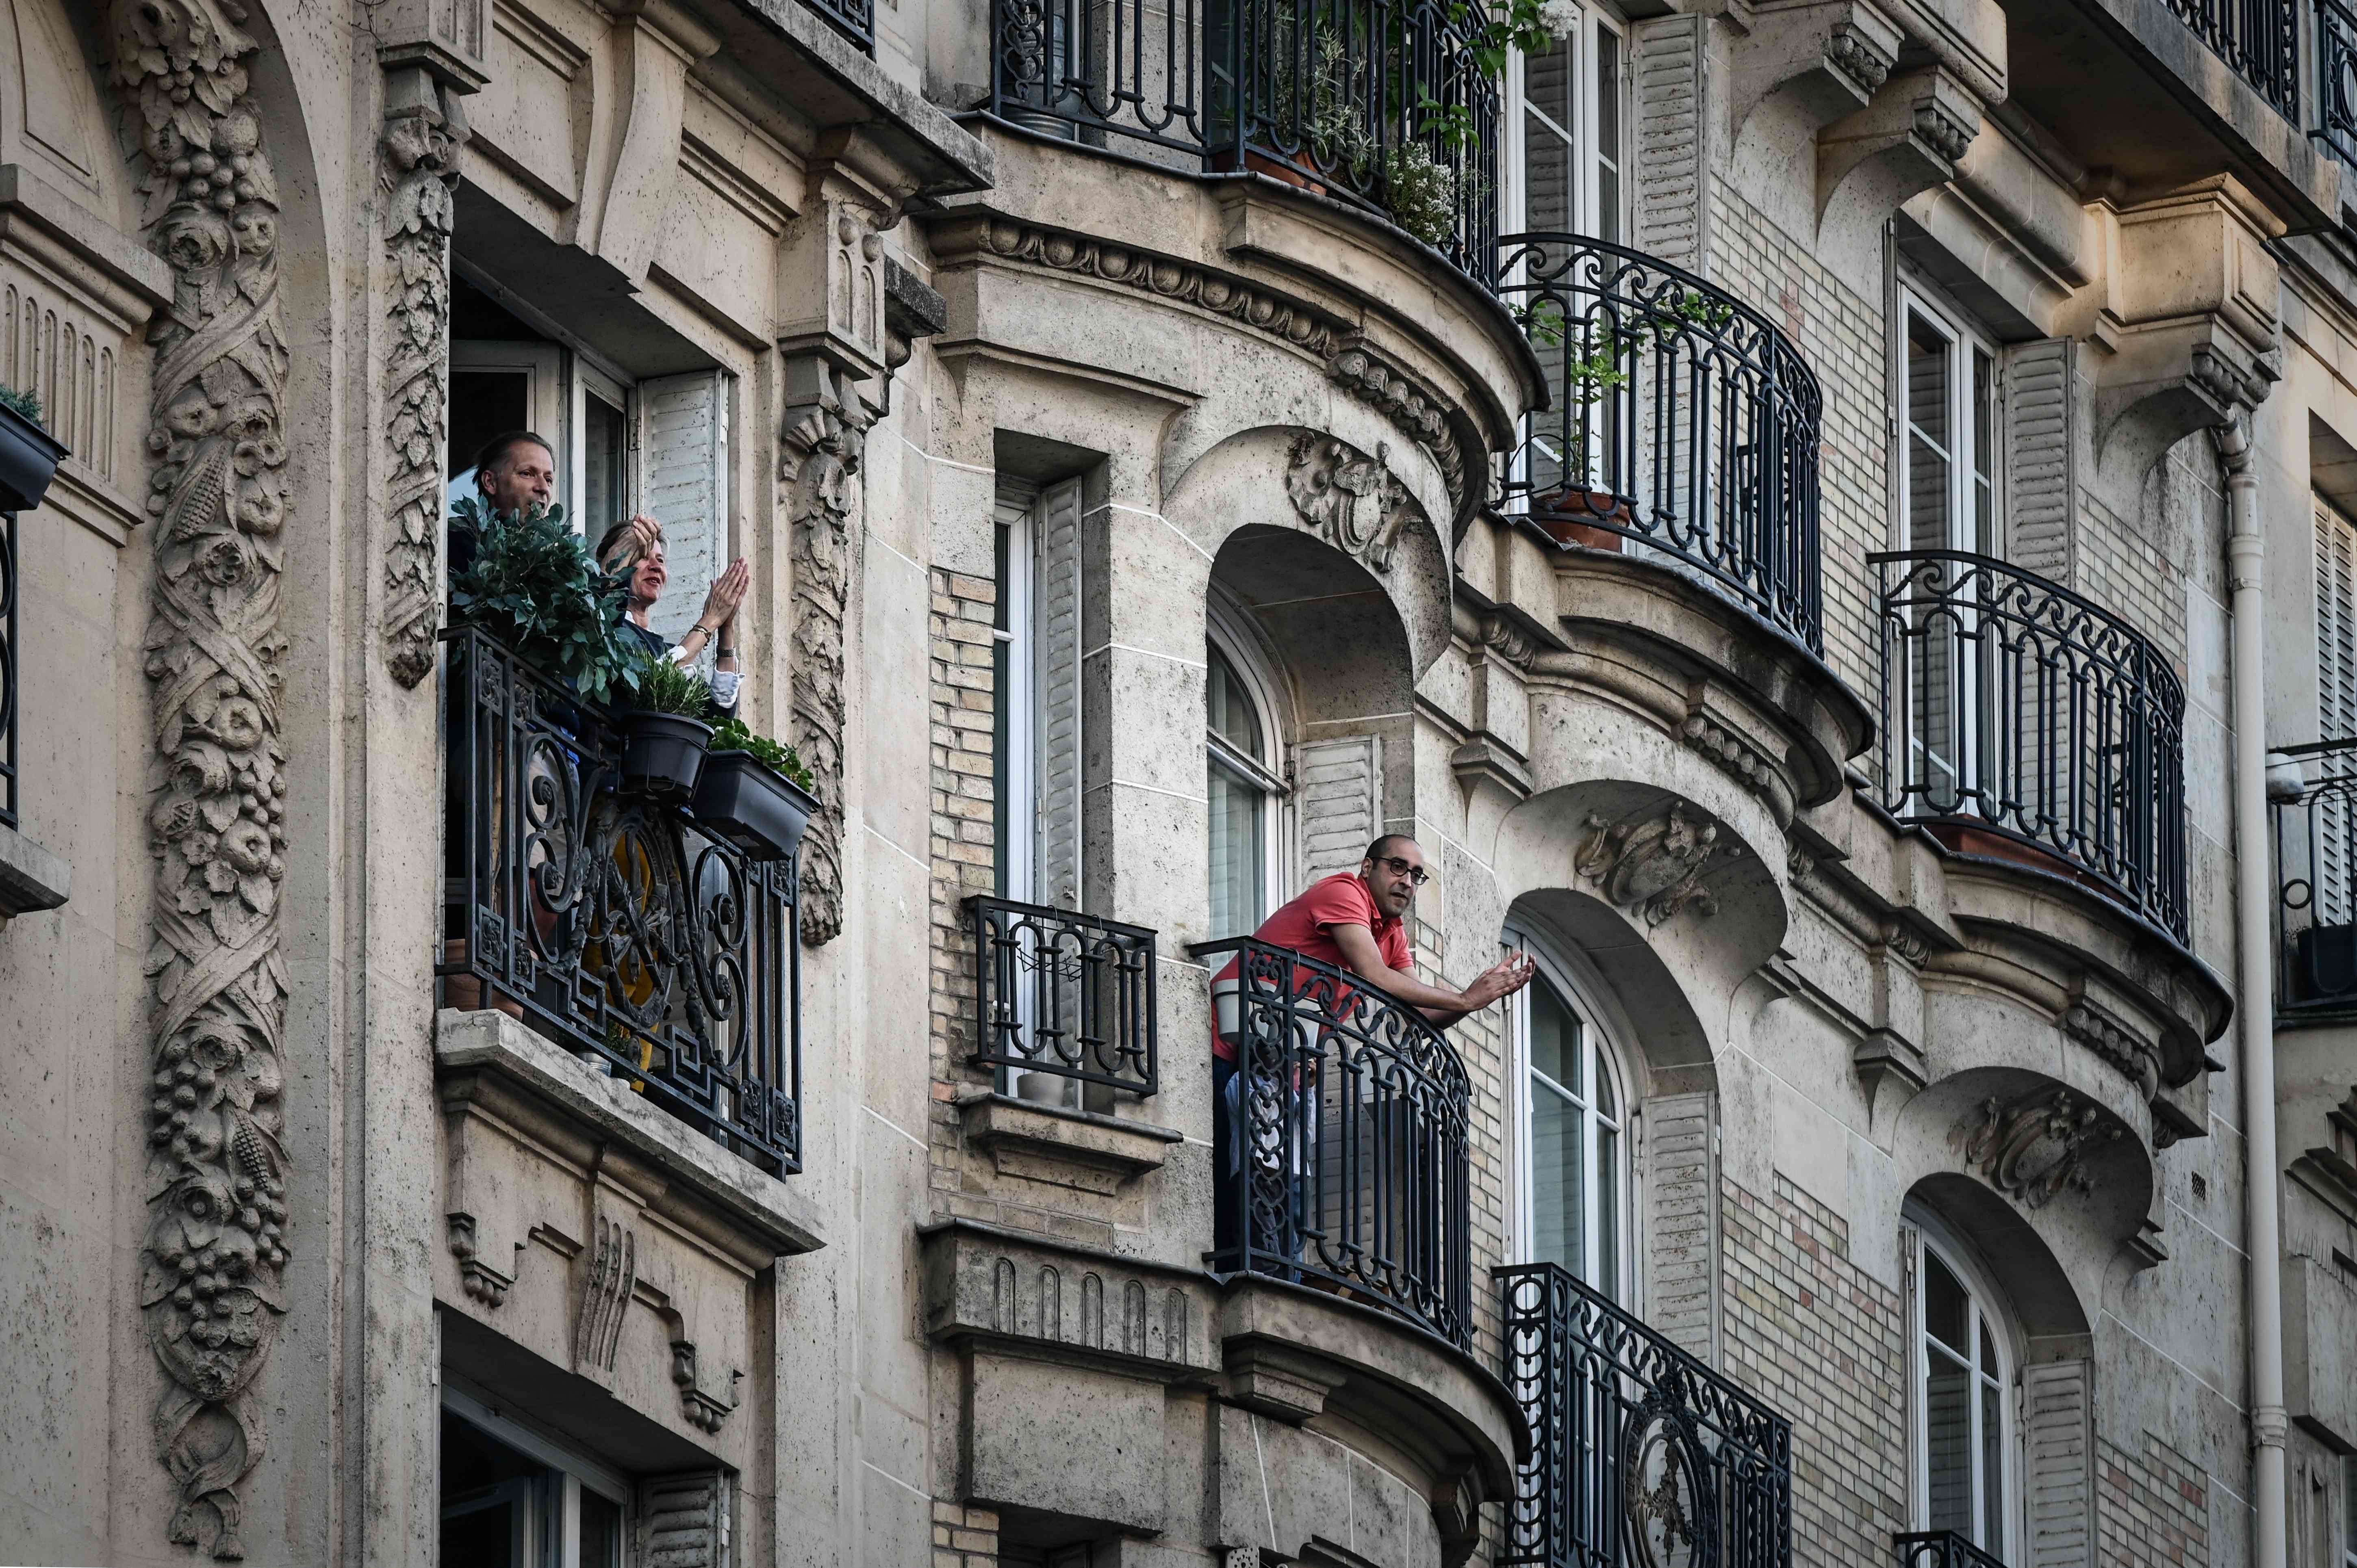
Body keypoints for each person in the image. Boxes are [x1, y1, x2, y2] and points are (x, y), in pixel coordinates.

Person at [1210, 834, 1535, 1264]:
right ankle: (1240, 1269)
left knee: (1279, 1183)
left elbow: (1416, 1013)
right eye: (1396, 867)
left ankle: (1272, 1275)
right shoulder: (1343, 892)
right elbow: (1372, 974)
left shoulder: (1392, 933)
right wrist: (1464, 999)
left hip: (1282, 1066)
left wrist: (1478, 999)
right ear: (1368, 868)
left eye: (1416, 875)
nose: (1407, 881)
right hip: (1230, 1046)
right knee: (1234, 1175)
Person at [593, 517, 750, 716]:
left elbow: (717, 715)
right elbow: (655, 684)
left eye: (660, 560)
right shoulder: (604, 628)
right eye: (643, 556)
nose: (656, 567)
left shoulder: (664, 649)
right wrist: (709, 621)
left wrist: (726, 628)